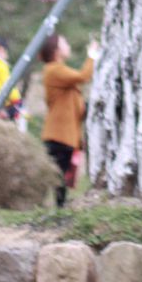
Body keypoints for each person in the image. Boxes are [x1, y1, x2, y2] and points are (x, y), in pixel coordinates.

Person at [40, 34, 98, 208]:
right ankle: (56, 208)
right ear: (56, 50)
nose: (68, 46)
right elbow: (84, 76)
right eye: (64, 43)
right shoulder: (54, 69)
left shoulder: (60, 72)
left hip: (66, 134)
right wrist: (92, 55)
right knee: (58, 174)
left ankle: (59, 207)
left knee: (62, 174)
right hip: (59, 134)